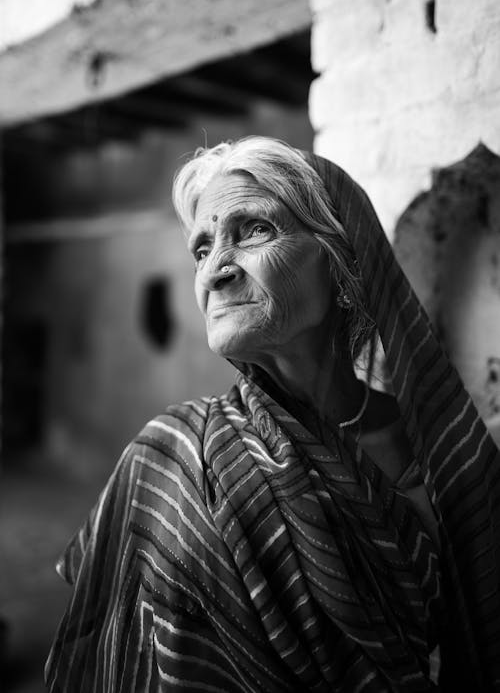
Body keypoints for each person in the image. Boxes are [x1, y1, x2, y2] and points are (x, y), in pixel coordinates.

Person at [46, 137, 500, 691]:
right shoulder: (168, 459)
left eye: (254, 230)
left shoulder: (445, 457)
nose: (215, 271)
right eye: (202, 248)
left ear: (340, 260)